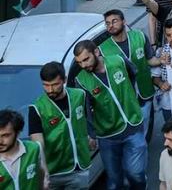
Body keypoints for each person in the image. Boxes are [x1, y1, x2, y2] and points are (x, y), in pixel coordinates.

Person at [72, 40, 149, 190]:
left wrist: (131, 99)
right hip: (108, 136)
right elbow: (85, 110)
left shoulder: (118, 60)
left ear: (96, 52)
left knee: (135, 174)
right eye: (79, 62)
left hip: (133, 126)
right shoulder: (81, 81)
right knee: (114, 182)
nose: (84, 65)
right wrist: (90, 134)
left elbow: (133, 74)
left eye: (86, 59)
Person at [29, 62, 93, 190]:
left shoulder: (80, 95)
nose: (50, 90)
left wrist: (91, 136)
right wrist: (44, 171)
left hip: (79, 168)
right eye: (46, 85)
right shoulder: (36, 108)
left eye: (55, 84)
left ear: (64, 80)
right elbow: (38, 143)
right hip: (53, 173)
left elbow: (89, 119)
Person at [98, 10, 157, 106]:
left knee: (149, 120)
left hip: (145, 92)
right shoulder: (102, 50)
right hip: (125, 101)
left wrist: (161, 60)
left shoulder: (139, 36)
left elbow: (150, 59)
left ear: (124, 21)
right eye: (107, 23)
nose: (111, 25)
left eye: (114, 21)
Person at [0, 109, 45, 190]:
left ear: (17, 133)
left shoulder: (34, 149)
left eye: (5, 135)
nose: (0, 141)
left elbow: (41, 174)